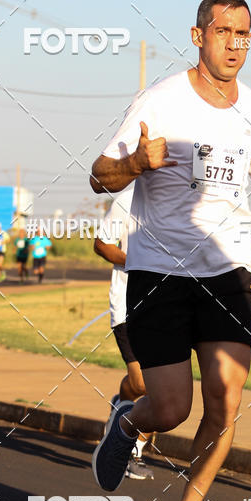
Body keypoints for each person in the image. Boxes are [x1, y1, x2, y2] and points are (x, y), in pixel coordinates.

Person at [89, 0, 251, 501]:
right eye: (224, 31)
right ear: (198, 36)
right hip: (159, 272)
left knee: (226, 400)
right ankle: (128, 424)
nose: (235, 44)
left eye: (244, 34)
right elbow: (99, 175)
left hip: (227, 273)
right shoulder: (160, 100)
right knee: (171, 409)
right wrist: (135, 164)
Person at [94, 186, 155, 480]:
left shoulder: (184, 201)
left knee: (160, 388)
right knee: (142, 382)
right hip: (128, 304)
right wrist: (138, 263)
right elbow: (102, 244)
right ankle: (122, 416)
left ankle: (135, 448)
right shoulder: (128, 200)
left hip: (168, 305)